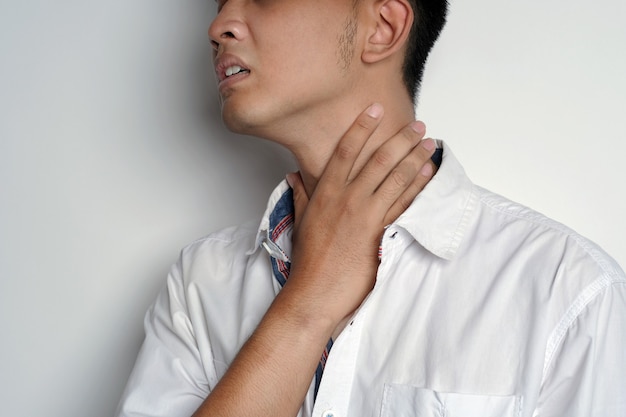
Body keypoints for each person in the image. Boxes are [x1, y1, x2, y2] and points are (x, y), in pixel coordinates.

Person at [116, 0, 626, 416]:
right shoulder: (201, 282)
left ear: (382, 27)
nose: (218, 25)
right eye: (220, 1)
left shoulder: (568, 292)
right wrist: (308, 301)